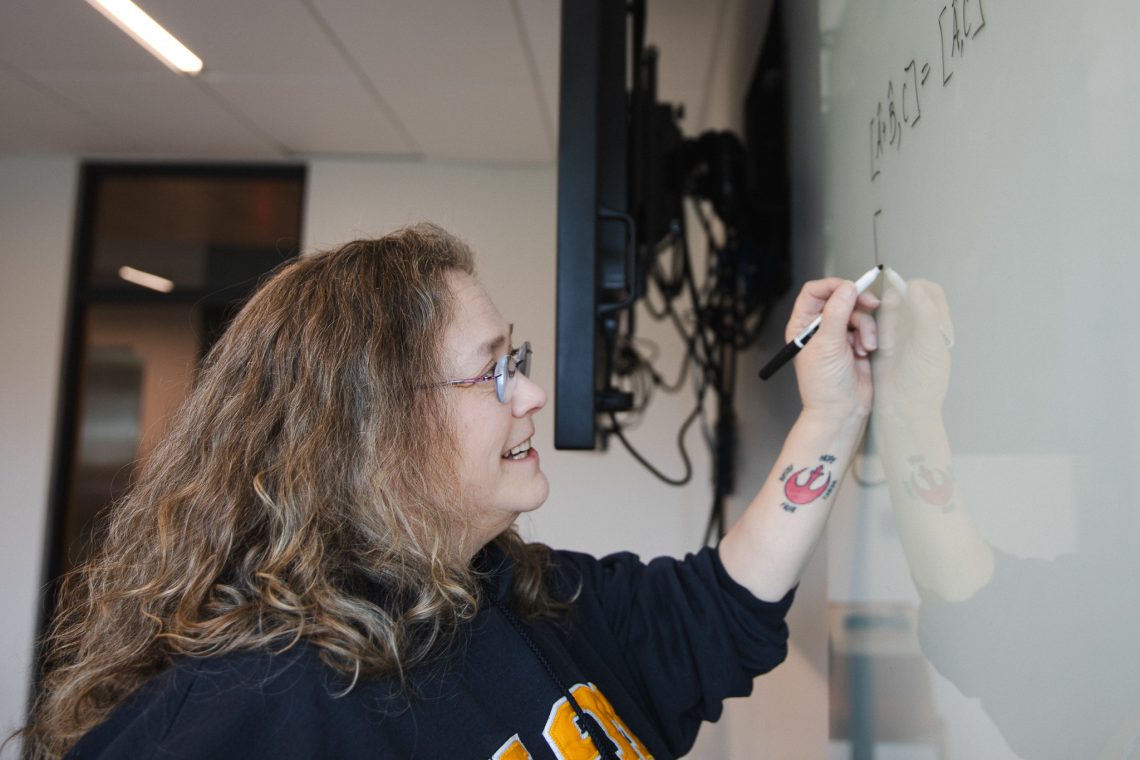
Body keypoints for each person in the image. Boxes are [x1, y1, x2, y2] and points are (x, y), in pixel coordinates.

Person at [21, 223, 879, 759]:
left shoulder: (511, 595)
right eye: (493, 373)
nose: (532, 394)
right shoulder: (265, 701)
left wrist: (831, 415)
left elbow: (718, 609)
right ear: (375, 432)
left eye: (519, 362)